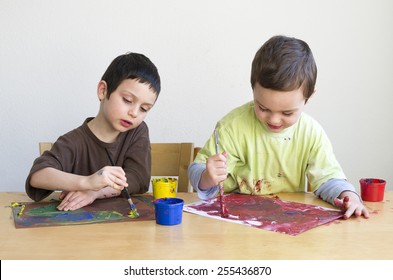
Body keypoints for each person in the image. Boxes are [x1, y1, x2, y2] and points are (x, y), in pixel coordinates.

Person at [188, 35, 369, 219]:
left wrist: (349, 196)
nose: (274, 120)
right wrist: (206, 177)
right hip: (236, 223)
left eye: (287, 113)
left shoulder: (311, 133)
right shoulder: (232, 127)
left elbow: (328, 180)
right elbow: (197, 170)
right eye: (263, 108)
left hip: (287, 220)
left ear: (308, 97)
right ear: (253, 89)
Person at [26, 52, 161, 211]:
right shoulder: (73, 141)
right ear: (103, 90)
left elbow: (138, 178)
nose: (134, 113)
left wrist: (94, 192)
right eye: (127, 100)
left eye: (144, 109)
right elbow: (37, 176)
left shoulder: (137, 131)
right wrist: (87, 182)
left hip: (123, 230)